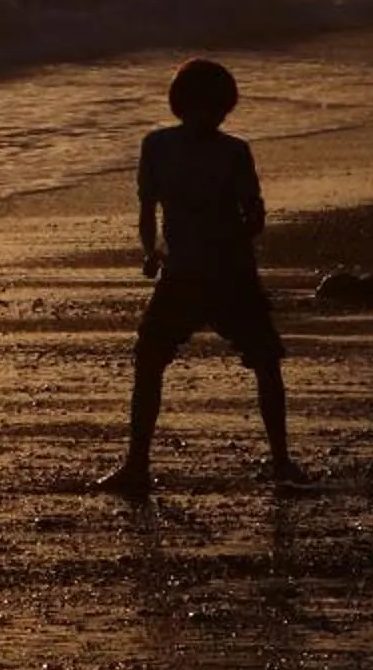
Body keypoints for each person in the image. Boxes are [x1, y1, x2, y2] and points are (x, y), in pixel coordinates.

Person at [97, 58, 309, 498]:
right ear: (182, 105)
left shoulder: (234, 151)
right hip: (182, 273)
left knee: (266, 361)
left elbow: (254, 215)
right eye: (204, 107)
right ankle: (136, 462)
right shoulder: (156, 146)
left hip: (230, 272)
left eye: (217, 109)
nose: (210, 117)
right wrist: (149, 252)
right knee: (149, 358)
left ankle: (282, 460)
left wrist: (239, 224)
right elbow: (147, 209)